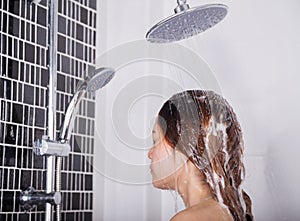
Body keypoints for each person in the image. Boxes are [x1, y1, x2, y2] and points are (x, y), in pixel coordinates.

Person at [148, 90, 253, 221]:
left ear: (185, 147)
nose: (149, 154)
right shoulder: (224, 211)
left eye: (156, 140)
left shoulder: (189, 219)